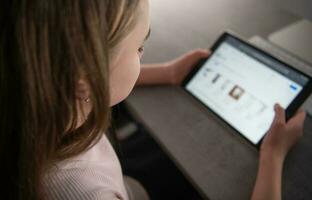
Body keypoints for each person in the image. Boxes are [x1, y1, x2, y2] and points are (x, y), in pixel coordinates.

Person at [0, 0, 306, 199]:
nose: (143, 53)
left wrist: (168, 72)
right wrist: (272, 156)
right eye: (138, 48)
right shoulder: (85, 193)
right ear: (86, 78)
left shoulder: (33, 106)